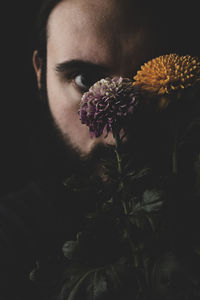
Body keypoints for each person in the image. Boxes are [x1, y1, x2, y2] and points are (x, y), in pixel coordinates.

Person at [0, 0, 199, 299]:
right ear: (39, 73)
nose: (120, 134)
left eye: (143, 85)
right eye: (85, 80)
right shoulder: (12, 237)